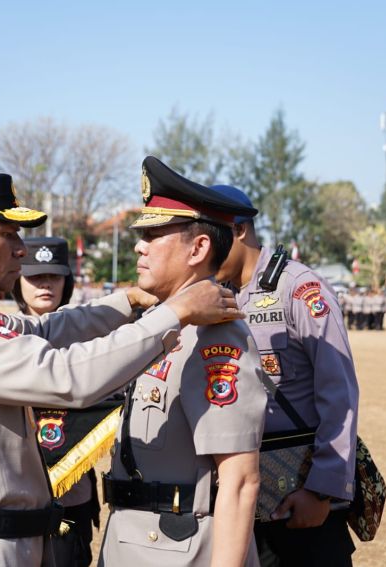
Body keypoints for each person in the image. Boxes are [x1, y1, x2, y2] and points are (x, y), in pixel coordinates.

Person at [0, 172, 243, 567]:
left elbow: (43, 330)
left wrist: (128, 301)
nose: (21, 250)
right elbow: (65, 378)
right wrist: (173, 313)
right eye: (8, 234)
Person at [99, 157, 267, 567]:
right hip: (128, 540)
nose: (139, 245)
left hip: (180, 549)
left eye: (154, 234)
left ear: (199, 247)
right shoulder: (162, 323)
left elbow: (240, 480)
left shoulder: (216, 335)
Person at [213, 184, 360, 567]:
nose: (204, 251)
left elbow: (339, 393)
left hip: (303, 497)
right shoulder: (215, 296)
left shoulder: (298, 289)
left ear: (240, 230)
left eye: (211, 238)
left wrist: (322, 491)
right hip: (242, 499)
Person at [12, 236, 99, 567]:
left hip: (72, 493)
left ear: (68, 281)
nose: (45, 284)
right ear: (17, 282)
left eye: (54, 276)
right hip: (15, 494)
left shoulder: (94, 340)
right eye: (34, 276)